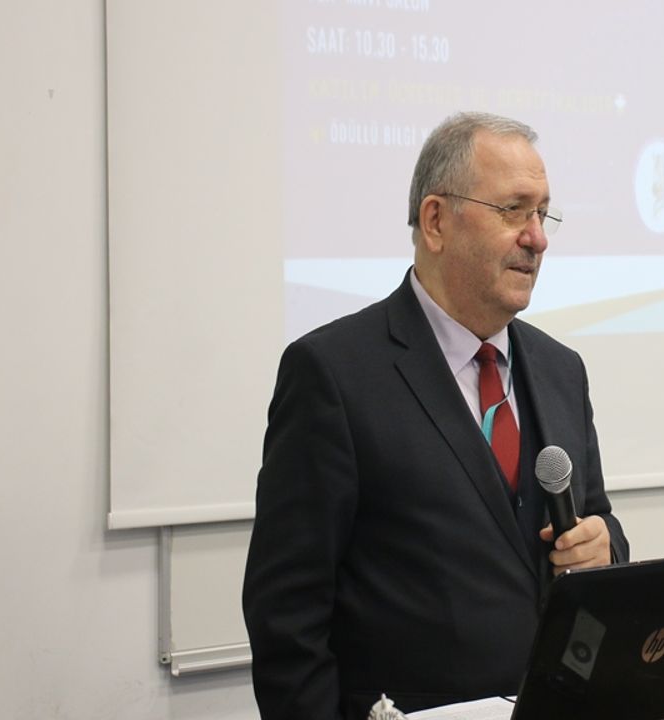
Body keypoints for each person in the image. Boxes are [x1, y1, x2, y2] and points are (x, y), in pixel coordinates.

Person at [242, 111, 630, 720]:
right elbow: (286, 615)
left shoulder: (561, 370)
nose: (538, 238)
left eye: (542, 214)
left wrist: (604, 550)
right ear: (436, 221)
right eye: (514, 210)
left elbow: (598, 524)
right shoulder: (334, 374)